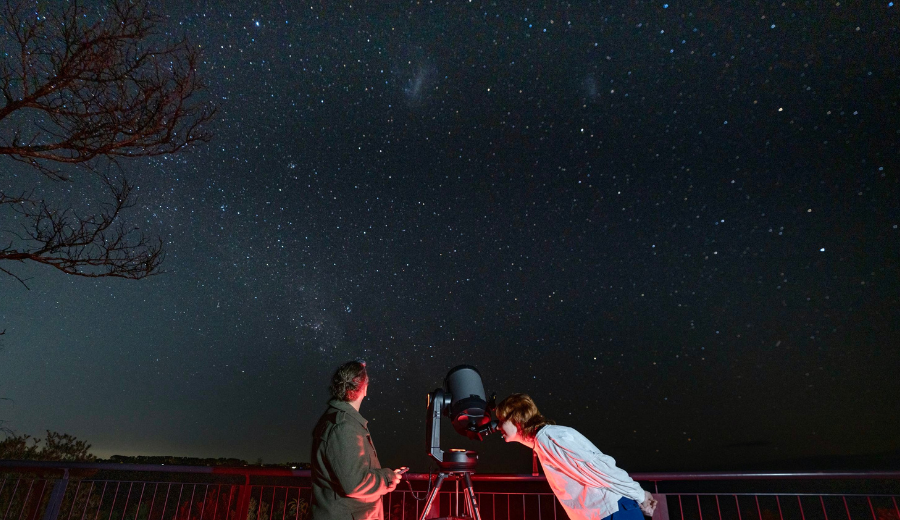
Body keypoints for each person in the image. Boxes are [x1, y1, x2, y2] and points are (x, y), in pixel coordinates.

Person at [496, 393, 659, 520]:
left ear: (516, 417)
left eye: (501, 420)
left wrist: (640, 495)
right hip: (603, 512)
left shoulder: (549, 438)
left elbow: (599, 467)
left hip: (612, 511)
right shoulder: (543, 441)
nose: (497, 426)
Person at [310, 361, 403, 520]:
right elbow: (355, 483)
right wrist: (388, 478)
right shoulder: (344, 427)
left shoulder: (341, 420)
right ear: (364, 388)